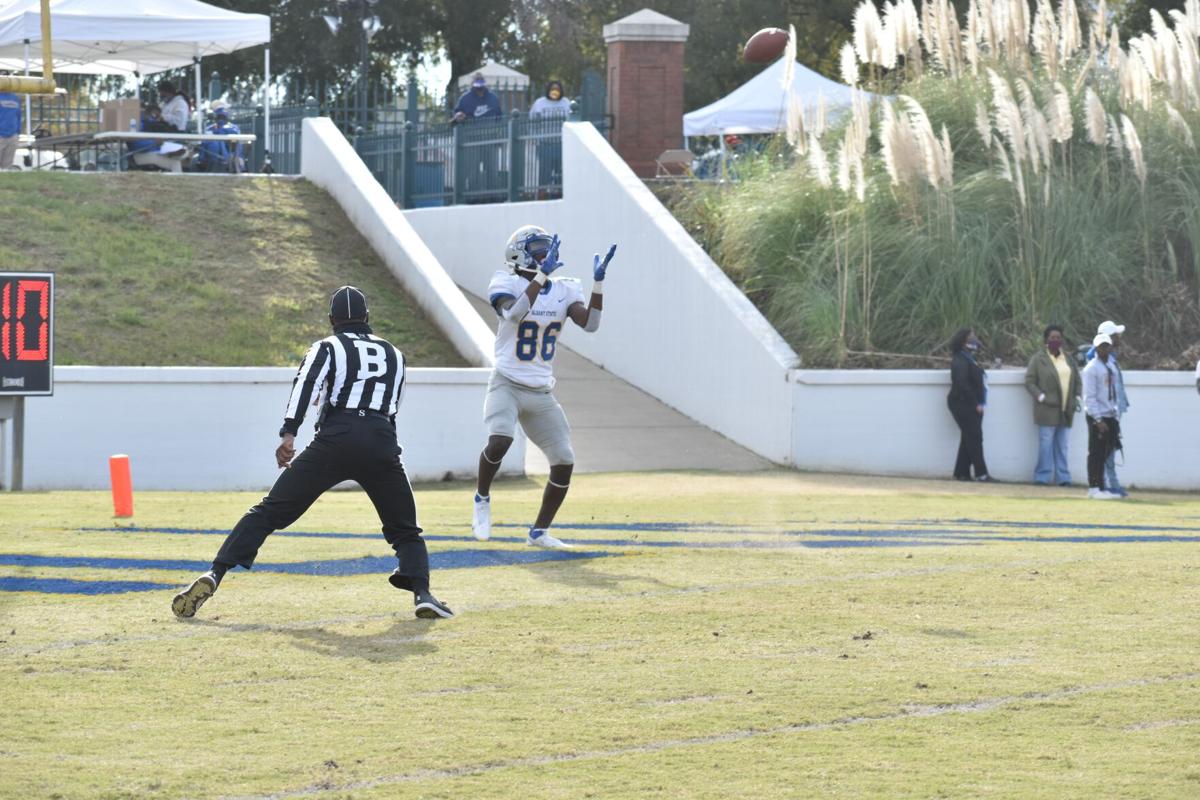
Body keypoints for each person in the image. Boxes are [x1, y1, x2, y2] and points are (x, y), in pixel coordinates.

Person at [172, 286, 454, 620]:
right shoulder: (394, 353)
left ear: (332, 320)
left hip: (336, 440)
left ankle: (216, 573)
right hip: (380, 438)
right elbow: (392, 405)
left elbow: (305, 385)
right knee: (405, 528)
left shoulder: (327, 347)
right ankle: (422, 593)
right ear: (367, 318)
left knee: (267, 512)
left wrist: (289, 434)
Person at [471, 227, 617, 548]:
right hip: (507, 382)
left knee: (564, 459)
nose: (544, 254)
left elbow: (590, 324)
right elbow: (512, 314)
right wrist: (539, 278)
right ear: (519, 252)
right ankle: (482, 498)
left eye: (546, 248)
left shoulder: (564, 288)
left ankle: (539, 532)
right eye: (537, 248)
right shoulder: (506, 281)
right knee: (500, 440)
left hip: (540, 390)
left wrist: (598, 284)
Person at [1024, 324, 1082, 486]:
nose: (1055, 340)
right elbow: (1029, 382)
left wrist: (1077, 396)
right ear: (1046, 340)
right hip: (1047, 409)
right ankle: (1042, 477)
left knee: (1062, 446)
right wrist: (1041, 397)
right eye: (1052, 338)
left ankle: (1063, 477)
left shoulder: (1068, 359)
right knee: (1045, 445)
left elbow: (1077, 379)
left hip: (1066, 410)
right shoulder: (1038, 359)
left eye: (1058, 338)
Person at [1085, 320, 1130, 496]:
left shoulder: (1110, 362)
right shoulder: (1093, 365)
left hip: (1111, 412)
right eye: (1116, 335)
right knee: (1099, 452)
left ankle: (1106, 485)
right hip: (1101, 414)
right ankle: (1101, 485)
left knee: (1109, 449)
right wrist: (1098, 418)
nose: (1119, 338)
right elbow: (1092, 395)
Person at [947, 327, 993, 482]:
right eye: (971, 337)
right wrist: (976, 404)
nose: (975, 339)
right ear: (963, 342)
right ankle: (982, 473)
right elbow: (962, 384)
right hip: (963, 404)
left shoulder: (968, 358)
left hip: (968, 403)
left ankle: (961, 473)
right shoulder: (960, 360)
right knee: (975, 437)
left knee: (968, 437)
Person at [529, 80, 572, 195]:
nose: (555, 91)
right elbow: (532, 120)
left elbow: (572, 120)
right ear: (548, 90)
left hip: (561, 143)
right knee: (544, 172)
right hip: (544, 144)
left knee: (560, 172)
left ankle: (559, 194)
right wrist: (535, 137)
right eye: (553, 88)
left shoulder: (566, 103)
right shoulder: (539, 103)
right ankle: (542, 194)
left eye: (557, 89)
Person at [194, 106, 243, 173]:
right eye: (219, 117)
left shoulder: (233, 128)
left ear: (227, 118)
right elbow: (204, 143)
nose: (221, 119)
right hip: (211, 157)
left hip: (231, 156)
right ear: (215, 118)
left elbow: (236, 142)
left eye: (223, 117)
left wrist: (222, 131)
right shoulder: (210, 129)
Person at [0, 89, 21, 169]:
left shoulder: (15, 98)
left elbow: (18, 116)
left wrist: (17, 133)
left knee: (7, 167)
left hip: (12, 136)